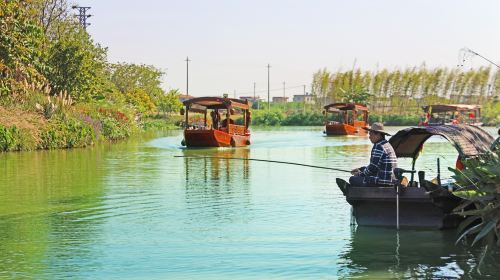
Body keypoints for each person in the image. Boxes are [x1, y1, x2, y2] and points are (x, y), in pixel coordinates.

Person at [350, 122, 398, 187]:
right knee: (360, 177)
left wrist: (359, 175)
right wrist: (360, 169)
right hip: (391, 180)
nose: (369, 137)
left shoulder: (379, 146)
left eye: (371, 134)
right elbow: (375, 166)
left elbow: (372, 168)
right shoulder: (387, 144)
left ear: (378, 134)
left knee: (353, 179)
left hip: (383, 181)